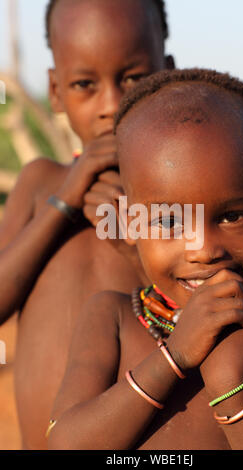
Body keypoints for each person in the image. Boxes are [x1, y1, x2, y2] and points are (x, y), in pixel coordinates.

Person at [48, 69, 243, 450]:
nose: (204, 249)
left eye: (231, 216)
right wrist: (175, 356)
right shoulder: (111, 317)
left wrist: (233, 393)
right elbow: (65, 444)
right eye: (169, 221)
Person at [0, 0, 173, 449]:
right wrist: (63, 202)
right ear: (56, 90)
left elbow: (202, 314)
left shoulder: (179, 192)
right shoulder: (41, 183)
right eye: (84, 84)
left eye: (134, 77)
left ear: (168, 72)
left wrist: (130, 245)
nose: (112, 105)